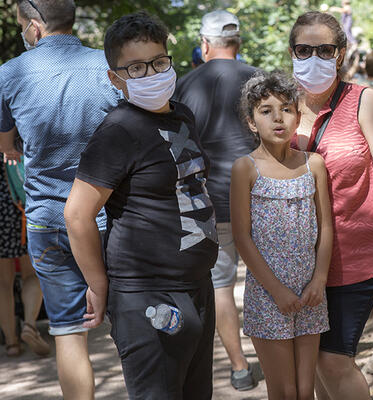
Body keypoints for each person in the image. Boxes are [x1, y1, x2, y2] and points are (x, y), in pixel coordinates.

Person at [64, 12, 218, 400]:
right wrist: (98, 285)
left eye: (158, 62)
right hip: (148, 295)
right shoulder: (118, 131)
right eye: (136, 68)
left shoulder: (182, 114)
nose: (151, 73)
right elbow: (78, 213)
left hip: (197, 287)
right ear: (115, 78)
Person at [0, 1, 119, 398]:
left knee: (68, 333)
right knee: (132, 326)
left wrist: (18, 148)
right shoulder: (110, 66)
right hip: (110, 220)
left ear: (34, 27)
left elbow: (6, 144)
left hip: (48, 220)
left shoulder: (11, 73)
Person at [288, 11, 373, 400]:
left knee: (333, 361)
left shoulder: (364, 102)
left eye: (325, 49)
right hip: (296, 259)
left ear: (340, 54)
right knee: (313, 362)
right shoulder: (281, 106)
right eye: (304, 49)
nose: (314, 57)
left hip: (355, 257)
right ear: (292, 52)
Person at [230, 70, 333, 400]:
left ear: (298, 117)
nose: (278, 118)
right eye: (266, 111)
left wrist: (319, 280)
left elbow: (326, 227)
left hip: (310, 293)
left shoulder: (313, 164)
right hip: (268, 295)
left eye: (286, 109)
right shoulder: (245, 168)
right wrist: (276, 291)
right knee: (284, 391)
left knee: (305, 391)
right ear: (250, 121)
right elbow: (242, 237)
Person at [174, 9, 258, 391]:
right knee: (267, 281)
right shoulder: (259, 80)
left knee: (221, 286)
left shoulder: (185, 84)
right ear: (238, 43)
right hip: (261, 199)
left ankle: (240, 368)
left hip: (208, 204)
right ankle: (279, 362)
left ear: (205, 44)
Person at [0, 159, 49, 357]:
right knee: (33, 272)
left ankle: (11, 343)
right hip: (19, 203)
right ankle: (29, 325)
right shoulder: (9, 127)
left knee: (3, 282)